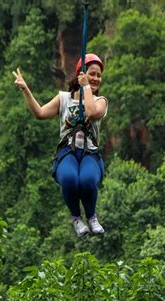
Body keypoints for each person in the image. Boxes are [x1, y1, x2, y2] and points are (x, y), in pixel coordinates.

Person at [13, 53, 108, 237]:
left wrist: (86, 86)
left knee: (88, 180)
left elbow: (90, 110)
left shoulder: (100, 101)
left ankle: (91, 216)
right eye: (92, 74)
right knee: (70, 180)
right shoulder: (64, 99)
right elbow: (40, 113)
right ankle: (76, 218)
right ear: (81, 74)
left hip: (90, 153)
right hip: (67, 152)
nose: (96, 79)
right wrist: (26, 90)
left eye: (98, 75)